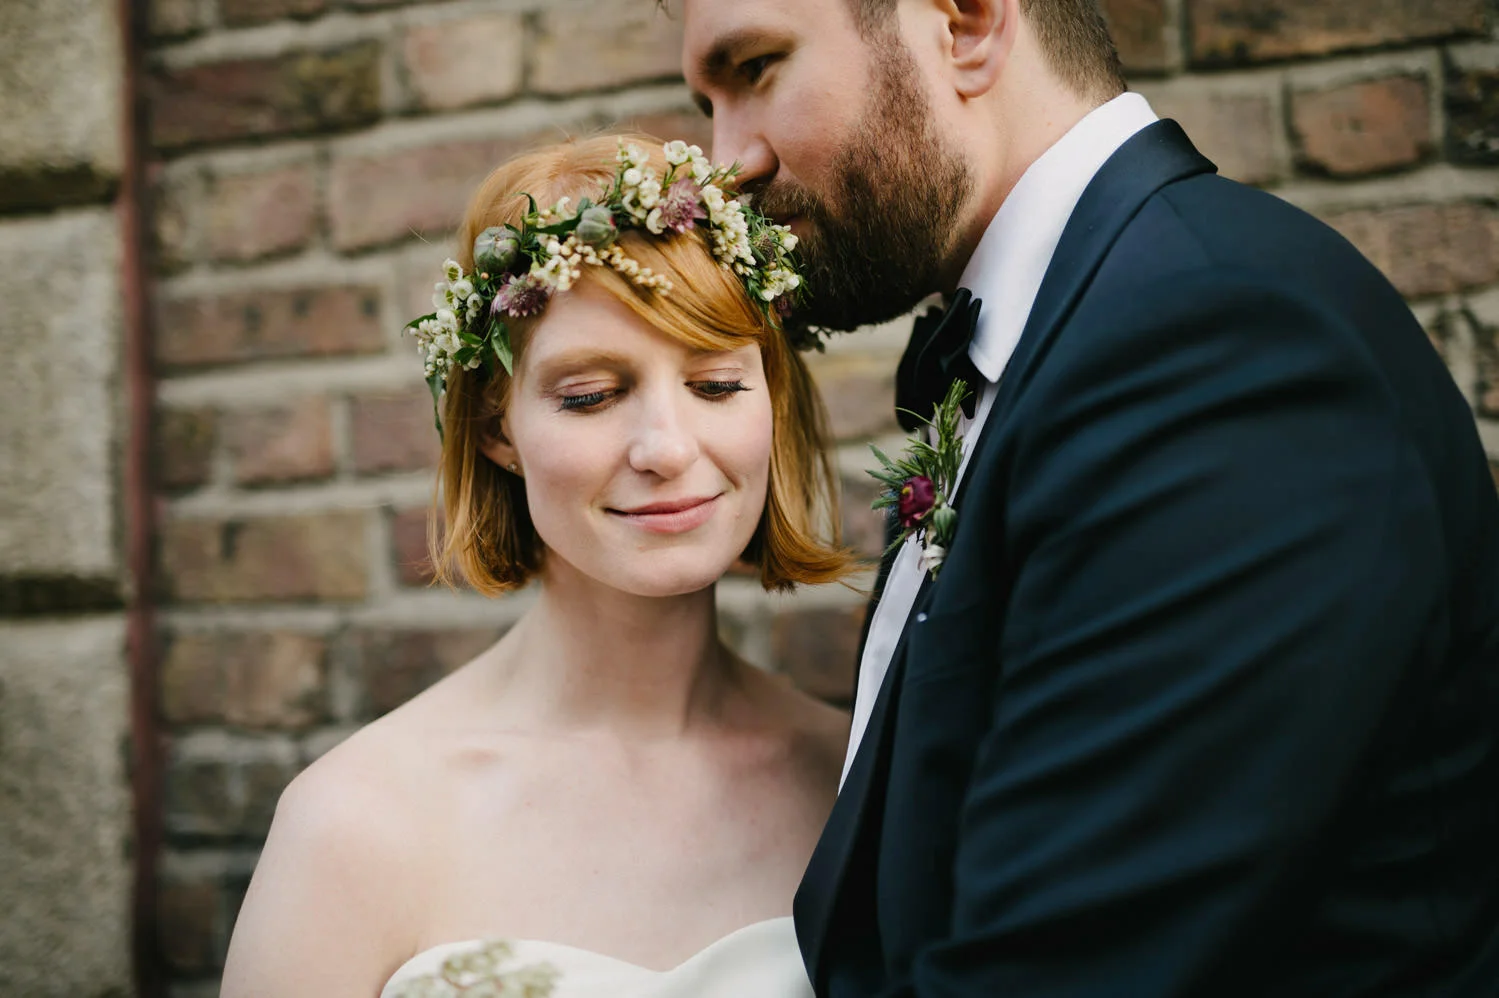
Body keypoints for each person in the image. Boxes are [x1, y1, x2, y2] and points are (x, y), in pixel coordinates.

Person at [681, 0, 1499, 995]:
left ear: (965, 25)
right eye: (704, 101)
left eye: (755, 69)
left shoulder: (1217, 346)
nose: (727, 160)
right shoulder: (1073, 330)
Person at [219, 133, 854, 998]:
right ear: (497, 429)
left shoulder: (853, 784)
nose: (667, 448)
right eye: (590, 396)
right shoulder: (355, 823)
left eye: (715, 385)